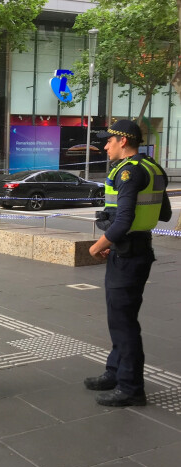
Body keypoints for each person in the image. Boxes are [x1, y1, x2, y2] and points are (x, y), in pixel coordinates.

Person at [86, 120, 169, 407]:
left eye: (109, 140)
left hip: (128, 254)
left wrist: (97, 247)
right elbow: (165, 213)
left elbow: (123, 221)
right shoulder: (153, 168)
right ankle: (115, 372)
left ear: (123, 141)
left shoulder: (129, 173)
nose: (105, 145)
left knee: (123, 323)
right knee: (120, 318)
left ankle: (131, 387)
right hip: (134, 250)